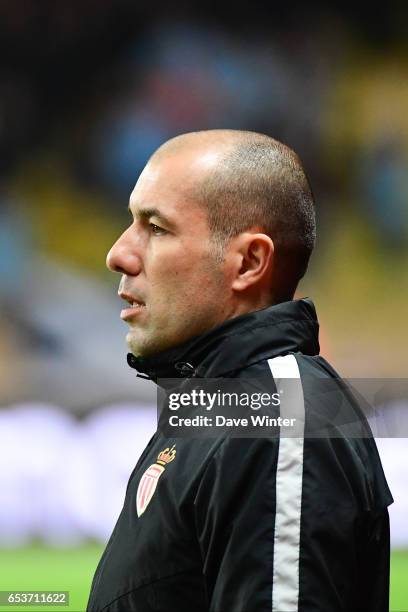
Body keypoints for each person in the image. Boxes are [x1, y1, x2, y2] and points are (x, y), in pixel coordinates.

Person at [86, 130, 393, 612]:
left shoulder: (278, 418)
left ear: (249, 262)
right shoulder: (221, 404)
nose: (119, 254)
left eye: (156, 227)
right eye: (132, 222)